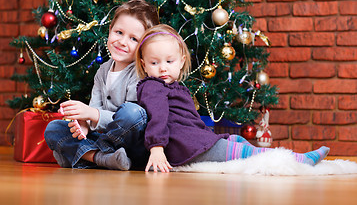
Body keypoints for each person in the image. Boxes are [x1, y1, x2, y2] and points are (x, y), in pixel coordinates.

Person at [135, 24, 330, 173]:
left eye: (169, 61)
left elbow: (191, 121)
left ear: (181, 61)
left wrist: (209, 136)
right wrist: (157, 148)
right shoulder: (152, 87)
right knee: (241, 152)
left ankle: (268, 156)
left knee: (235, 139)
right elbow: (157, 116)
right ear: (144, 65)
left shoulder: (176, 87)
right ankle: (295, 159)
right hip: (184, 147)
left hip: (193, 140)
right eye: (154, 62)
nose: (162, 68)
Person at [44, 0, 159, 170]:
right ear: (110, 30)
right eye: (119, 32)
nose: (122, 42)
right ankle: (103, 158)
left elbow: (133, 121)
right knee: (54, 128)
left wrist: (92, 115)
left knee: (132, 113)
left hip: (132, 145)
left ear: (144, 46)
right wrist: (83, 124)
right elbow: (94, 109)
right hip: (104, 138)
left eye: (133, 39)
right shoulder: (102, 71)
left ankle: (88, 156)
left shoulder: (139, 73)